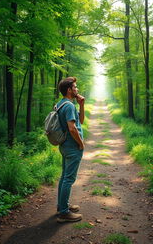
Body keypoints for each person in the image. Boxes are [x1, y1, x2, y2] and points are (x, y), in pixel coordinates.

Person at [56, 77, 85, 223]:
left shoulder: (62, 104)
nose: (77, 89)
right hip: (72, 147)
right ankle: (64, 213)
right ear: (69, 90)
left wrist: (81, 105)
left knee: (64, 177)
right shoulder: (68, 106)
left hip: (64, 146)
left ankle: (62, 206)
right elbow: (72, 128)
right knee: (69, 178)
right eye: (75, 87)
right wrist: (81, 144)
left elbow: (81, 121)